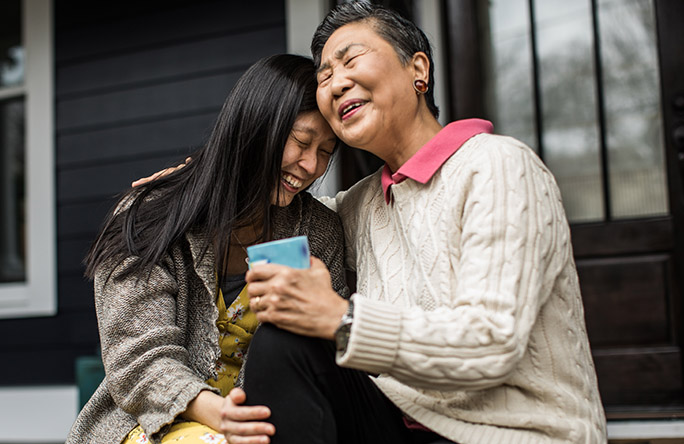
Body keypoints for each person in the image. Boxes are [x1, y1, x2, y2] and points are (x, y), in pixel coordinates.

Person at [225, 3, 608, 444]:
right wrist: (186, 183)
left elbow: (492, 342)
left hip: (514, 432)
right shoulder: (362, 203)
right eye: (324, 76)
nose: (336, 83)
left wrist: (341, 319)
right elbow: (274, 196)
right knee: (283, 341)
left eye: (350, 60)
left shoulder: (498, 166)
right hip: (398, 425)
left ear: (418, 70)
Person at [65, 54, 348, 444]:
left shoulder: (316, 232)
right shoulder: (151, 217)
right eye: (300, 142)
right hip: (152, 423)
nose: (310, 165)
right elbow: (138, 359)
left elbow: (322, 355)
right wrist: (222, 415)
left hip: (269, 423)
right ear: (255, 127)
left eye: (326, 151)